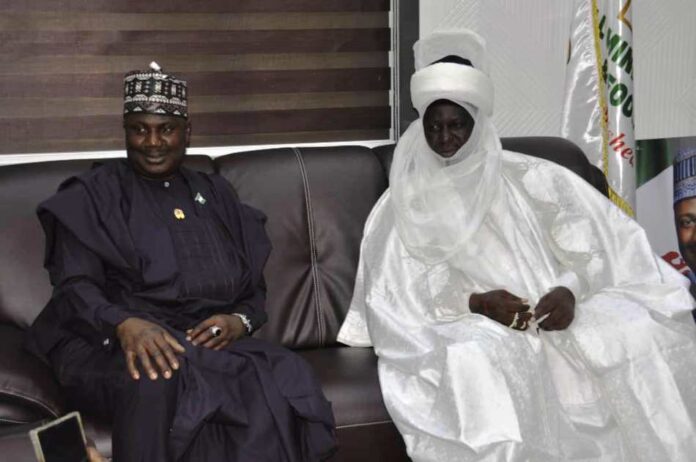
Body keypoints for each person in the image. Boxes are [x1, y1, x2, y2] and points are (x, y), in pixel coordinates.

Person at [338, 30, 696, 461]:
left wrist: (569, 291)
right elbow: (397, 294)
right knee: (479, 358)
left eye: (456, 126)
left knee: (635, 328)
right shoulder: (403, 203)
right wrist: (477, 304)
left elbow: (595, 248)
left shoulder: (533, 177)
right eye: (434, 127)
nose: (445, 138)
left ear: (477, 124)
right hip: (466, 319)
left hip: (554, 307)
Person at [26, 63, 336, 462]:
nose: (152, 142)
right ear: (125, 130)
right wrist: (124, 324)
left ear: (187, 132)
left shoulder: (215, 194)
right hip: (103, 344)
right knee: (158, 373)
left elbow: (252, 290)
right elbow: (74, 286)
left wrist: (238, 322)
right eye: (139, 129)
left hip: (195, 345)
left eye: (166, 129)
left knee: (281, 372)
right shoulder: (94, 194)